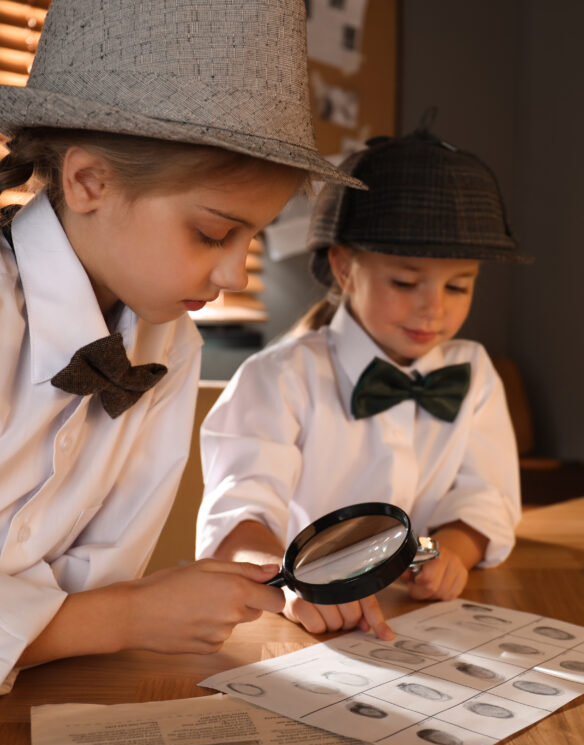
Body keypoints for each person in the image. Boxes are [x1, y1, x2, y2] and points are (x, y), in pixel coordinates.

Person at [0, 0, 361, 694]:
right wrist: (127, 617)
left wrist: (111, 615)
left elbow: (95, 582)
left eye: (253, 237)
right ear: (87, 182)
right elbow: (105, 610)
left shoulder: (171, 344)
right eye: (212, 233)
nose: (234, 275)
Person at [196, 129, 524, 639]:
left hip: (415, 617)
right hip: (295, 622)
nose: (433, 308)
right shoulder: (279, 378)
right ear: (345, 268)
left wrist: (455, 551)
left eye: (458, 285)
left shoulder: (474, 371)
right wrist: (293, 587)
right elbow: (240, 511)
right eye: (405, 281)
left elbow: (487, 493)